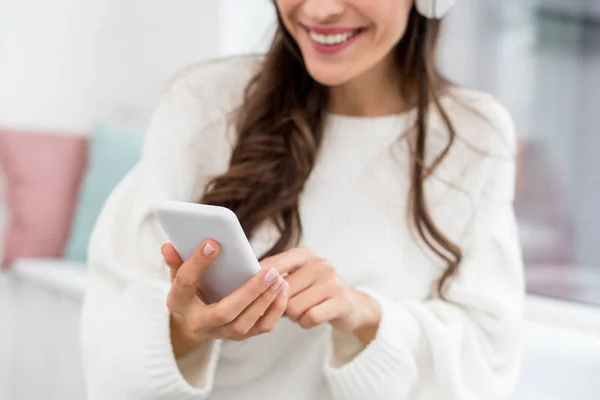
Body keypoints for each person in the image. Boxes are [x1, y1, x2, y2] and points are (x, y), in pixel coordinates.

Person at [81, 1, 524, 399]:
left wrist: (362, 314)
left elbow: (487, 362)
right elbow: (108, 340)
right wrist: (185, 330)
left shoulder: (474, 134)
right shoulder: (205, 101)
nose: (320, 10)